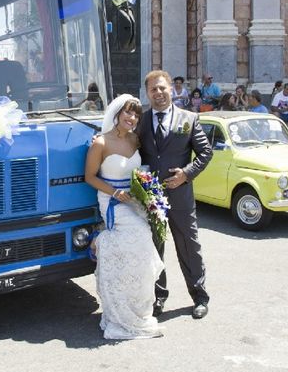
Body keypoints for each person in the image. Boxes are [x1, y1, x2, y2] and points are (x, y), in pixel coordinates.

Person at [84, 94, 163, 339]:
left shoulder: (135, 140)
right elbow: (90, 177)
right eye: (128, 113)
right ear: (117, 114)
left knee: (142, 249)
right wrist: (115, 192)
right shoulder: (100, 142)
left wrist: (148, 191)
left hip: (133, 200)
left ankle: (136, 311)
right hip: (111, 200)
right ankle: (100, 241)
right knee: (136, 239)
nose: (132, 118)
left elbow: (140, 170)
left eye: (136, 114)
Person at [137, 71, 213, 320]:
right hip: (151, 197)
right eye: (153, 90)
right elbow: (126, 146)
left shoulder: (189, 119)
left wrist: (186, 173)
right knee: (154, 249)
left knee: (189, 246)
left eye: (162, 88)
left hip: (180, 196)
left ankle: (199, 296)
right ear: (147, 94)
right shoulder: (141, 122)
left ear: (171, 89)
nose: (158, 93)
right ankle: (158, 297)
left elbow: (205, 153)